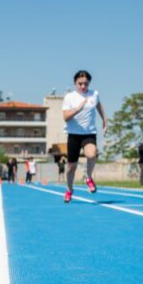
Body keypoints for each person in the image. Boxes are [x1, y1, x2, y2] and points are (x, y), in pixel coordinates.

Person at [61, 70, 108, 203]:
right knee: (71, 167)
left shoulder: (94, 94)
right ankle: (69, 189)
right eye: (80, 84)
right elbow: (65, 117)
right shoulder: (69, 97)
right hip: (74, 134)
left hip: (89, 133)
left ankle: (88, 177)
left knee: (92, 154)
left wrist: (105, 119)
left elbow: (98, 105)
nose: (83, 86)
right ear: (75, 83)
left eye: (85, 84)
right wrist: (77, 109)